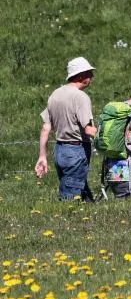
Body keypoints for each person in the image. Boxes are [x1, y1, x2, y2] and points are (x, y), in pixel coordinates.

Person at [35, 57, 97, 201]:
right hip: (76, 150)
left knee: (79, 190)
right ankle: (68, 218)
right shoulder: (80, 97)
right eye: (89, 73)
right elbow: (88, 130)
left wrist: (42, 156)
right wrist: (107, 138)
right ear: (80, 75)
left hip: (60, 151)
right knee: (69, 198)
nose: (91, 77)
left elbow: (46, 127)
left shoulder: (55, 95)